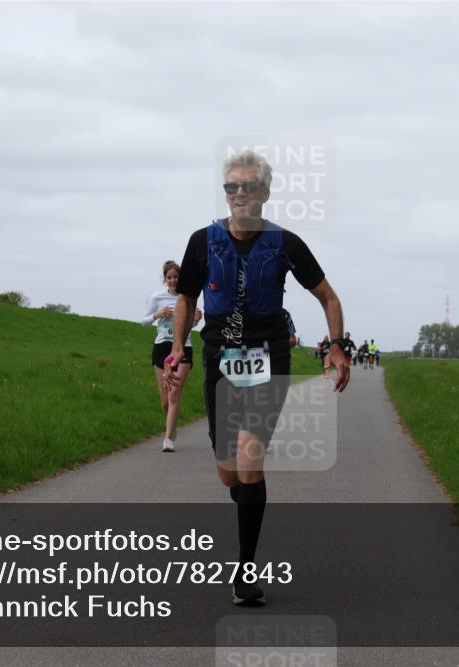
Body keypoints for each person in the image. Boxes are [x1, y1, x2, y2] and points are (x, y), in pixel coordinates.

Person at [165, 150, 349, 607]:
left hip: (269, 356)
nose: (240, 194)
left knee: (250, 458)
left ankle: (245, 572)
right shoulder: (202, 242)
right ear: (225, 193)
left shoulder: (285, 243)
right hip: (219, 358)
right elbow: (186, 298)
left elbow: (327, 296)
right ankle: (248, 498)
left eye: (249, 186)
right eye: (232, 187)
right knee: (230, 474)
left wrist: (337, 346)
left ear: (265, 192)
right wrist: (178, 349)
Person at [141, 260, 202, 452]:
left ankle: (167, 439)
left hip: (184, 347)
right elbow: (144, 322)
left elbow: (189, 327)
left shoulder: (188, 298)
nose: (173, 280)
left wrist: (196, 321)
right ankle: (172, 428)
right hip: (162, 347)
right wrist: (157, 314)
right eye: (169, 277)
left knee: (174, 395)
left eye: (176, 277)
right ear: (165, 279)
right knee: (165, 401)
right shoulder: (157, 297)